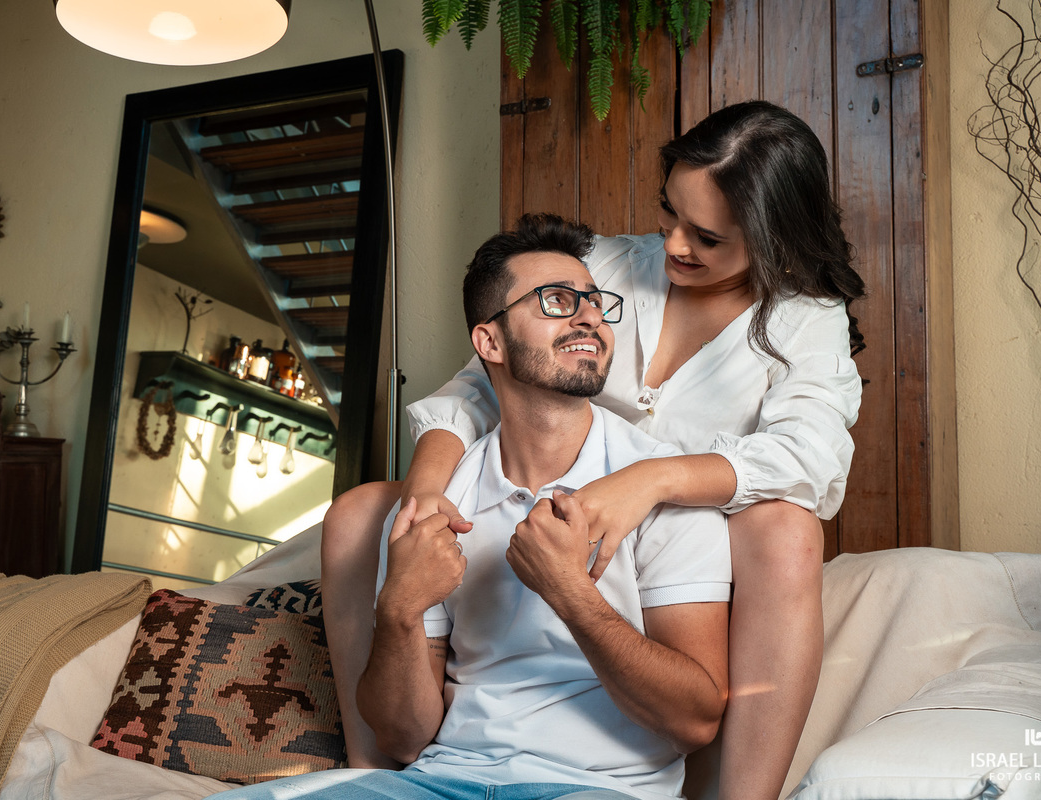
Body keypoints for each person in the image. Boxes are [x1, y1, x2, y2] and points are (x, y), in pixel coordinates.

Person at [322, 100, 864, 800]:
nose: (674, 245)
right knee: (360, 512)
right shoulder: (602, 268)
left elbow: (811, 456)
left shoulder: (804, 318)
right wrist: (426, 493)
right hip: (550, 502)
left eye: (706, 237)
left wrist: (653, 480)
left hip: (681, 533)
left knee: (788, 528)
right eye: (668, 212)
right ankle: (374, 776)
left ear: (772, 237)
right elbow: (482, 378)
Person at [217, 214, 731, 800]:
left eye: (594, 301)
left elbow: (696, 720)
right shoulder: (439, 502)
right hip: (442, 781)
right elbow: (402, 739)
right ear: (490, 342)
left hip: (595, 789)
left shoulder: (658, 489)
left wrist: (570, 592)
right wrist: (400, 608)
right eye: (557, 301)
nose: (590, 316)